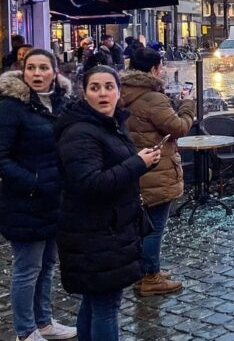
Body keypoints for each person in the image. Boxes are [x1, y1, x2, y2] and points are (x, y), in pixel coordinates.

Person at [55, 65, 161, 341]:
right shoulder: (80, 132)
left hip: (109, 228)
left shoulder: (109, 124)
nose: (103, 93)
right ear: (84, 93)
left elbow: (112, 166)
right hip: (95, 232)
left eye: (109, 87)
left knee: (95, 302)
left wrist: (142, 161)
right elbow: (90, 183)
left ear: (118, 91)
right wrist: (137, 163)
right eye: (95, 87)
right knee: (106, 307)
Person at [0, 50, 76, 341]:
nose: (37, 73)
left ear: (54, 72)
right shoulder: (11, 107)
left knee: (47, 265)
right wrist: (33, 183)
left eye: (43, 67)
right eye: (31, 67)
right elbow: (2, 157)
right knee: (27, 268)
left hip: (54, 199)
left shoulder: (60, 103)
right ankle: (25, 330)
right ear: (23, 72)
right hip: (25, 201)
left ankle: (43, 322)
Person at [121, 47, 194, 296]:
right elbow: (178, 128)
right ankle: (150, 277)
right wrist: (187, 104)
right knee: (154, 227)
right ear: (154, 69)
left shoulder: (123, 92)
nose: (162, 71)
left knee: (144, 224)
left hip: (135, 166)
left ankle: (146, 270)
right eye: (161, 67)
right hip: (156, 169)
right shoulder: (152, 98)